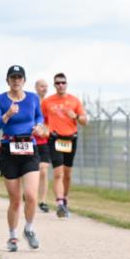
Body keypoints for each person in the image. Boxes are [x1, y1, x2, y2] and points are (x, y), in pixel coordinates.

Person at [0, 65, 48, 252]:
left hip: (29, 149)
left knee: (31, 195)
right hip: (9, 150)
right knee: (15, 199)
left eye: (19, 77)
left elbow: (38, 116)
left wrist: (39, 126)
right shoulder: (0, 100)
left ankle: (29, 229)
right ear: (8, 80)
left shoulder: (32, 98)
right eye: (12, 77)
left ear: (24, 80)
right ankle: (12, 236)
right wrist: (7, 114)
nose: (16, 80)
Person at [41, 72, 88, 217]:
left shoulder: (74, 101)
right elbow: (41, 120)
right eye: (58, 83)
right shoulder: (47, 102)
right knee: (58, 173)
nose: (60, 85)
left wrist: (76, 116)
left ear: (66, 84)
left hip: (70, 139)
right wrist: (45, 129)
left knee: (67, 174)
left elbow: (85, 121)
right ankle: (60, 203)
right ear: (54, 85)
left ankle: (64, 199)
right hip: (54, 139)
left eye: (63, 82)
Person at [33, 78, 52, 213]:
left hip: (44, 141)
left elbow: (52, 122)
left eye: (46, 86)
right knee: (32, 171)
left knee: (44, 171)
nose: (44, 88)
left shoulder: (49, 104)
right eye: (41, 86)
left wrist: (47, 131)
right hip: (30, 141)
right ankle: (29, 194)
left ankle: (42, 201)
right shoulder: (31, 102)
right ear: (36, 87)